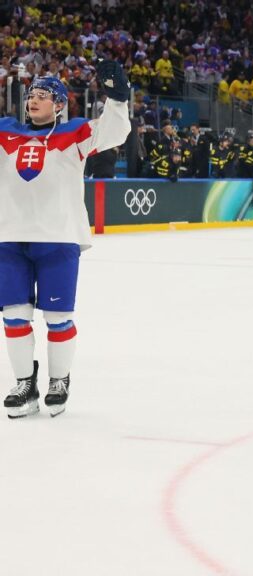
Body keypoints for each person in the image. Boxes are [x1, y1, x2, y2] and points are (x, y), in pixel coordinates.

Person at [0, 61, 131, 418]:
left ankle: (59, 380)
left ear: (60, 104)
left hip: (58, 237)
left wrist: (118, 97)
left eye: (43, 95)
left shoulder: (75, 133)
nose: (34, 100)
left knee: (57, 316)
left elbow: (114, 133)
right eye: (31, 95)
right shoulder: (4, 132)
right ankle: (24, 383)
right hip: (10, 237)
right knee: (14, 317)